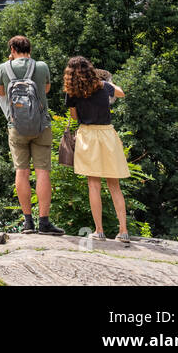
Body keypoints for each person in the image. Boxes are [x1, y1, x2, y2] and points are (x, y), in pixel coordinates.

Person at [0, 35, 64, 235]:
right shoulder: (41, 66)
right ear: (29, 49)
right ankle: (44, 221)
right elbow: (47, 89)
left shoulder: (4, 67)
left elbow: (0, 92)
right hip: (41, 125)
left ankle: (27, 222)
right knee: (43, 172)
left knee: (21, 172)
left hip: (16, 126)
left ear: (12, 49)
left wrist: (9, 64)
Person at [64, 55, 131, 243]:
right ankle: (123, 230)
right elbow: (121, 93)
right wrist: (102, 80)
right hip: (107, 134)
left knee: (93, 185)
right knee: (114, 185)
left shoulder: (72, 92)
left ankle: (99, 230)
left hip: (88, 135)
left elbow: (75, 117)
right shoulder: (103, 86)